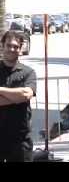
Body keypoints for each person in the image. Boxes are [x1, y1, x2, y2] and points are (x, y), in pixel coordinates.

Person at [0, 30, 37, 162]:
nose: (12, 49)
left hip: (20, 139)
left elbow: (26, 94)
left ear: (20, 49)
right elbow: (21, 95)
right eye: (9, 45)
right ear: (2, 46)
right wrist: (16, 97)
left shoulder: (28, 72)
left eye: (16, 46)